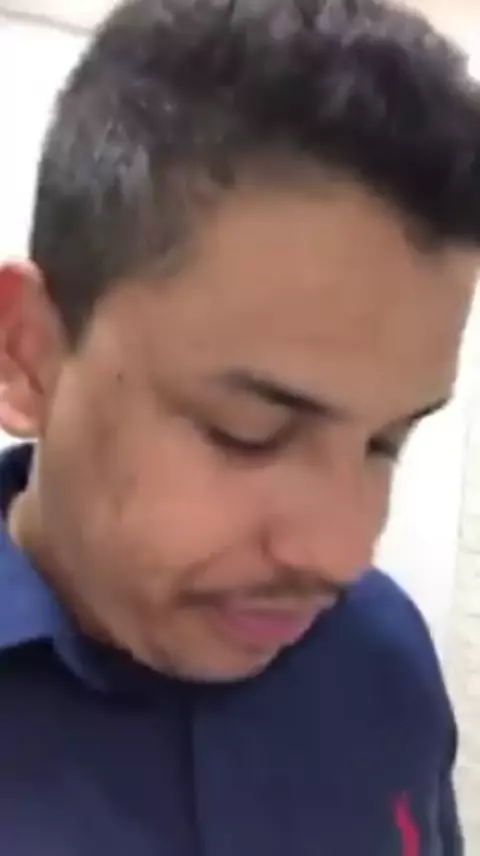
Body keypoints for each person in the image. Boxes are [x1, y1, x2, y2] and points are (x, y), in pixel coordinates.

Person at [0, 0, 479, 852]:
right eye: (247, 431)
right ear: (28, 352)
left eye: (385, 444)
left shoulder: (383, 660)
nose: (341, 555)